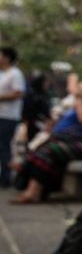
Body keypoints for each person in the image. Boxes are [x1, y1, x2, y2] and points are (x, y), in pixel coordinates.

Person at [12, 79, 82, 204]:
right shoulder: (75, 106)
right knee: (39, 150)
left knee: (48, 151)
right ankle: (37, 191)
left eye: (81, 88)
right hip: (65, 140)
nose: (77, 90)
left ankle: (32, 193)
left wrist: (79, 99)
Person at [0, 47, 25, 188]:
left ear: (7, 58)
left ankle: (5, 178)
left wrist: (1, 97)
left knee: (3, 147)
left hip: (8, 116)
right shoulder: (2, 74)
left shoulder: (15, 74)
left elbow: (19, 93)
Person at [21, 74, 52, 144]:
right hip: (32, 123)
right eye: (45, 82)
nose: (47, 84)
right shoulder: (33, 95)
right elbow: (27, 110)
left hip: (41, 124)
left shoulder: (43, 95)